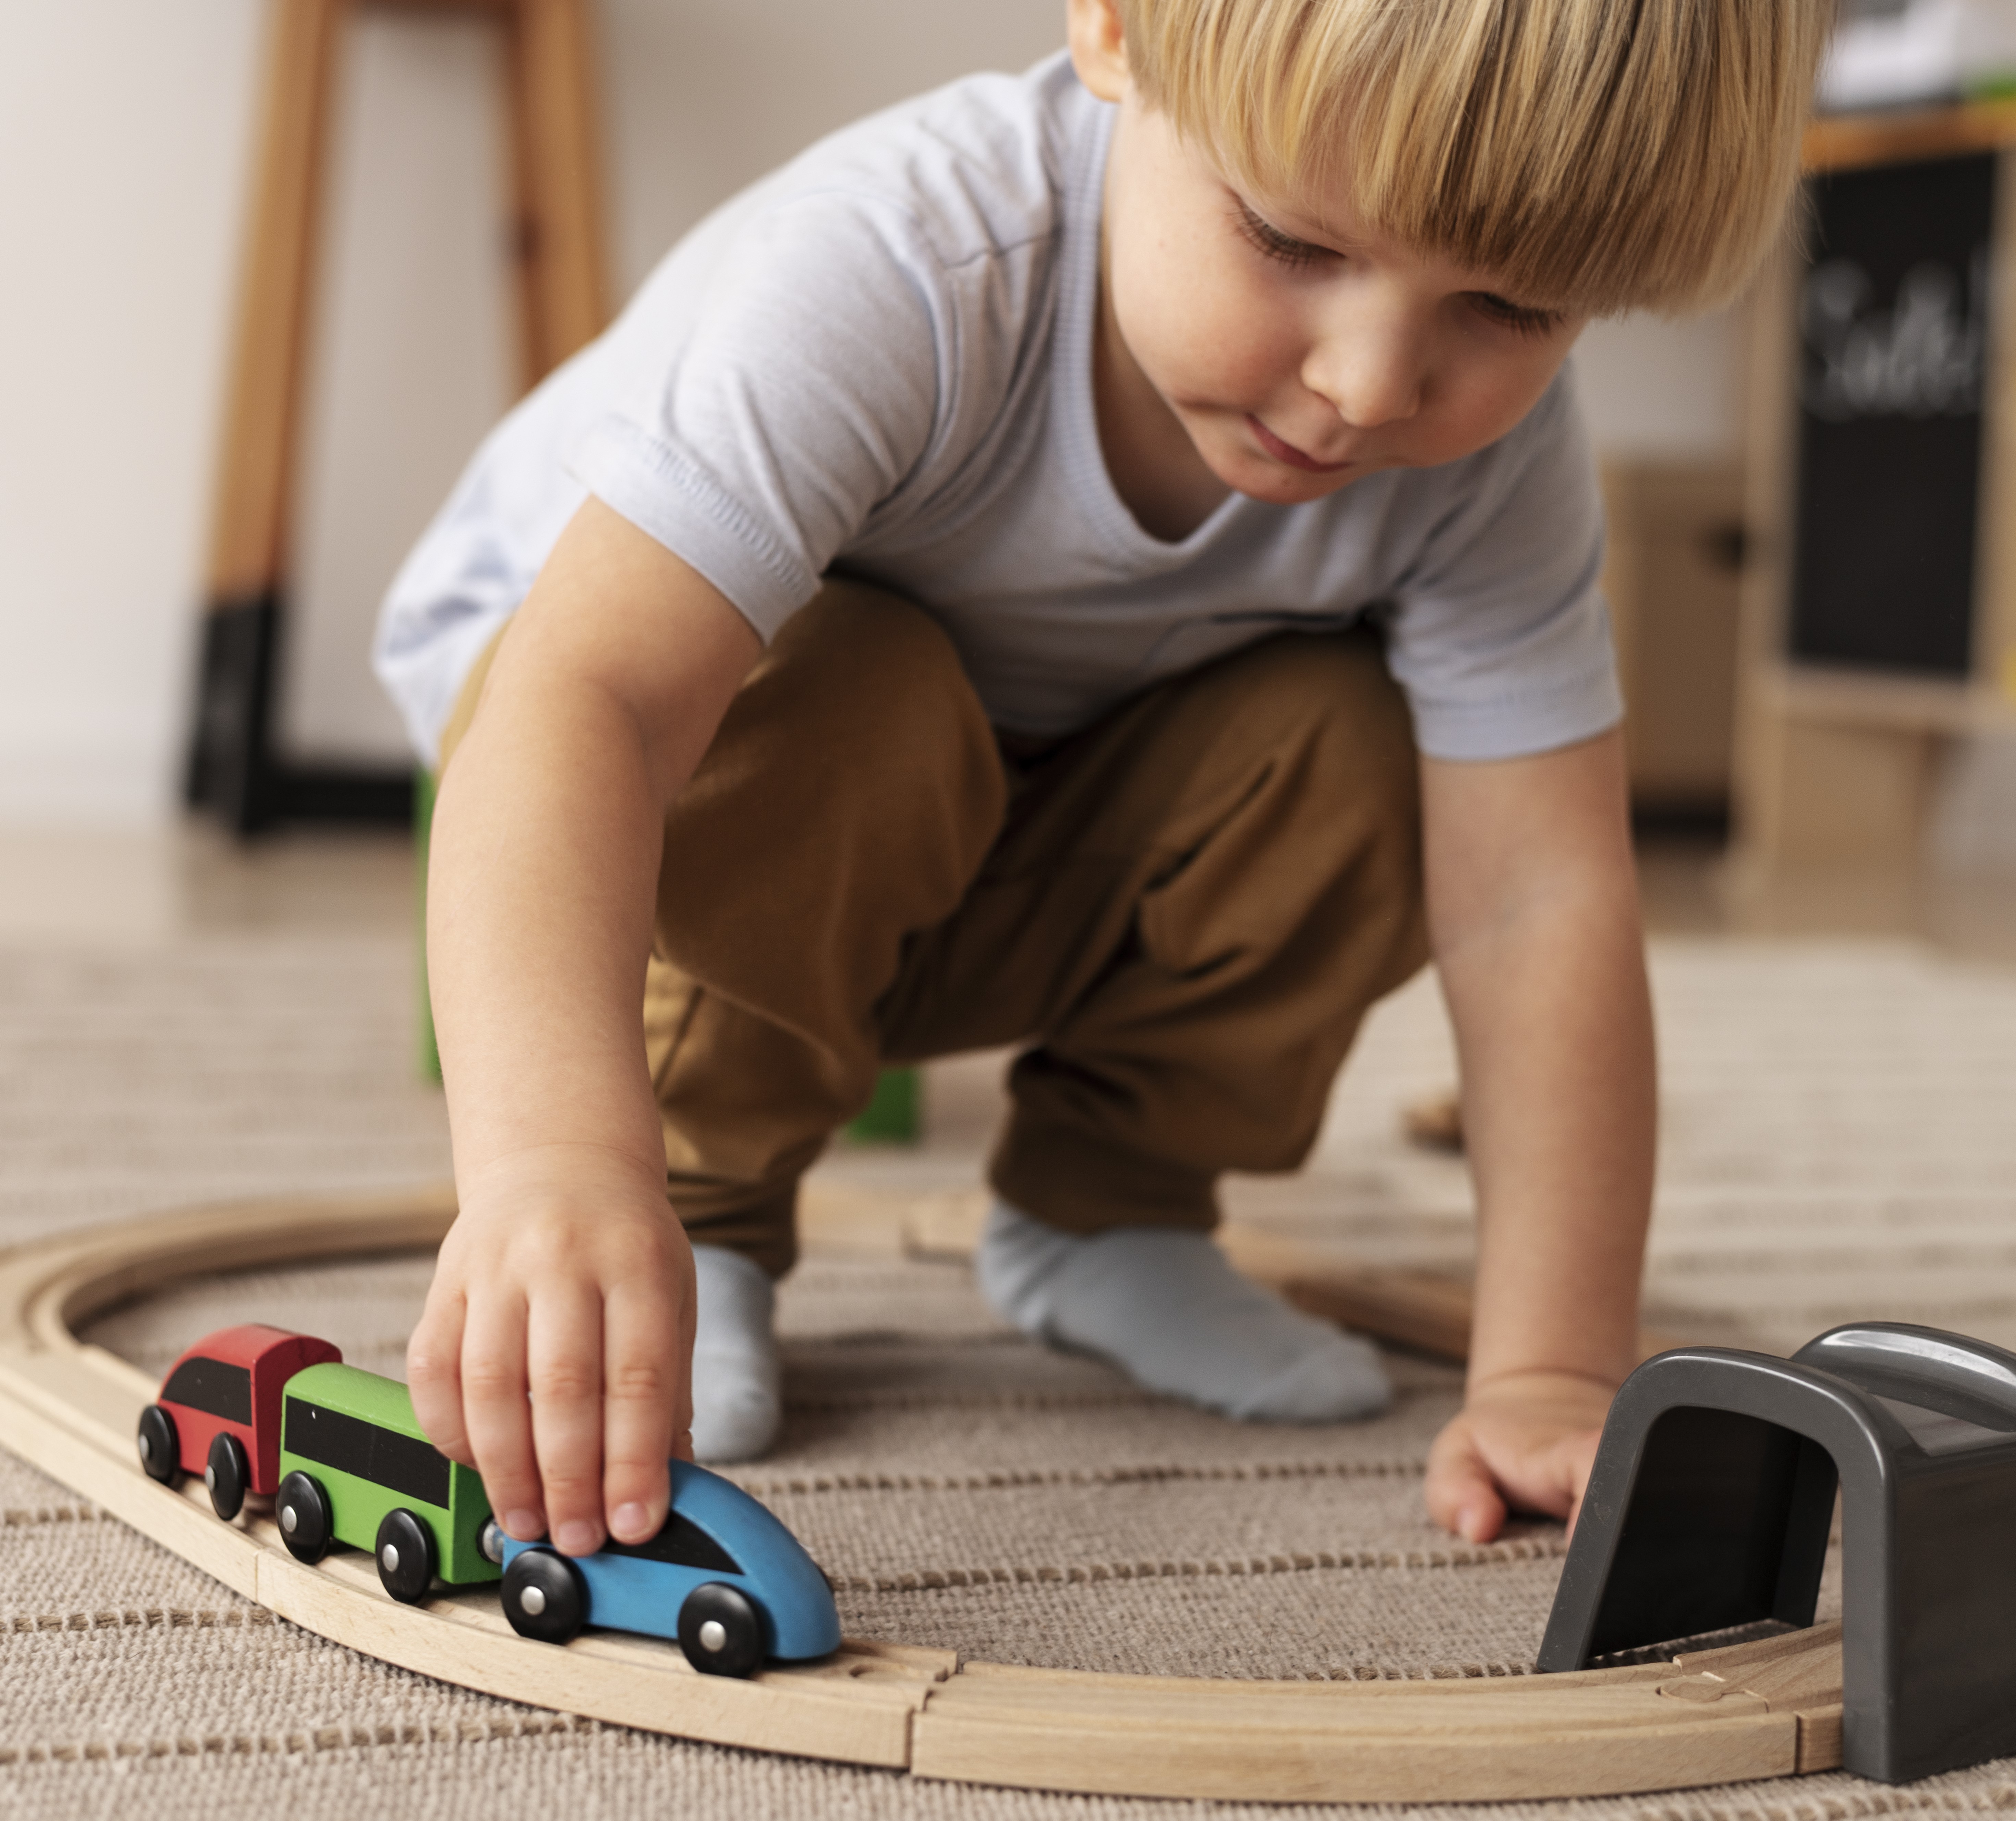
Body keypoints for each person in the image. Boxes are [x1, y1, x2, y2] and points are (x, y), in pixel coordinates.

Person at [375, 0, 1829, 1567]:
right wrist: (555, 1168)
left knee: (1373, 747)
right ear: (1116, 30)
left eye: (1507, 307)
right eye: (1289, 240)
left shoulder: (1487, 466)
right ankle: (700, 1197)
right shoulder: (902, 265)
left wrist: (1551, 1366)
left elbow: (1534, 892)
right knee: (856, 681)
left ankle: (1108, 1202)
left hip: (1023, 801)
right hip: (614, 782)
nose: (1368, 383)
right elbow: (583, 707)